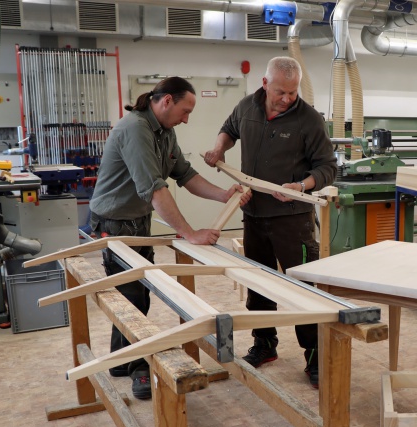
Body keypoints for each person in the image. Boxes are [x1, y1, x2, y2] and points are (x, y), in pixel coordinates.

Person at [89, 76, 244, 400]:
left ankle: (120, 358)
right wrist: (189, 233)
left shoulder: (165, 131)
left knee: (136, 292)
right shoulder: (136, 129)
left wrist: (223, 195)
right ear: (167, 101)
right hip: (115, 224)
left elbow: (184, 174)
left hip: (137, 221)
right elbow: (155, 190)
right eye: (185, 111)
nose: (186, 119)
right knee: (133, 296)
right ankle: (139, 369)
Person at [204, 57, 337, 389]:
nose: (287, 99)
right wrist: (219, 148)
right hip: (253, 216)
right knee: (258, 283)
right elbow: (229, 129)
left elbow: (327, 167)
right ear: (265, 84)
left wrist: (301, 186)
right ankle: (265, 344)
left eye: (293, 92)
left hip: (293, 221)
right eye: (281, 92)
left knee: (303, 288)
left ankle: (315, 356)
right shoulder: (247, 106)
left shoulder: (309, 119)